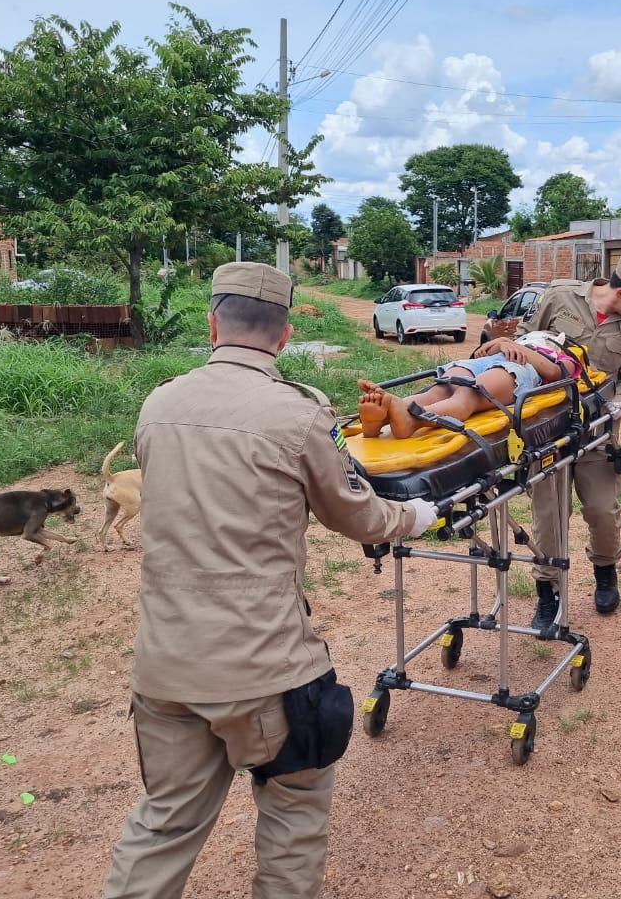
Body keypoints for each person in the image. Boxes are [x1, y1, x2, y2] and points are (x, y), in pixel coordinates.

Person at [103, 262, 437, 899]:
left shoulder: (160, 404)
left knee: (164, 821)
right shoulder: (301, 416)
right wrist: (413, 516)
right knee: (294, 813)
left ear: (212, 324)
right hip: (265, 669)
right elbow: (354, 514)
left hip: (165, 666)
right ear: (284, 336)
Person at [518, 251, 621, 631]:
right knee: (550, 515)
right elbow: (525, 344)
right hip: (545, 429)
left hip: (597, 431)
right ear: (620, 291)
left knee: (603, 511)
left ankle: (605, 570)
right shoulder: (560, 297)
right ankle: (547, 592)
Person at [356, 330, 584, 439]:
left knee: (470, 393)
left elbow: (556, 374)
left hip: (520, 368)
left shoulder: (559, 355)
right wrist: (499, 345)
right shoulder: (508, 342)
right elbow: (478, 354)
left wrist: (514, 346)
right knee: (443, 387)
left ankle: (411, 419)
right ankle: (382, 415)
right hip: (485, 362)